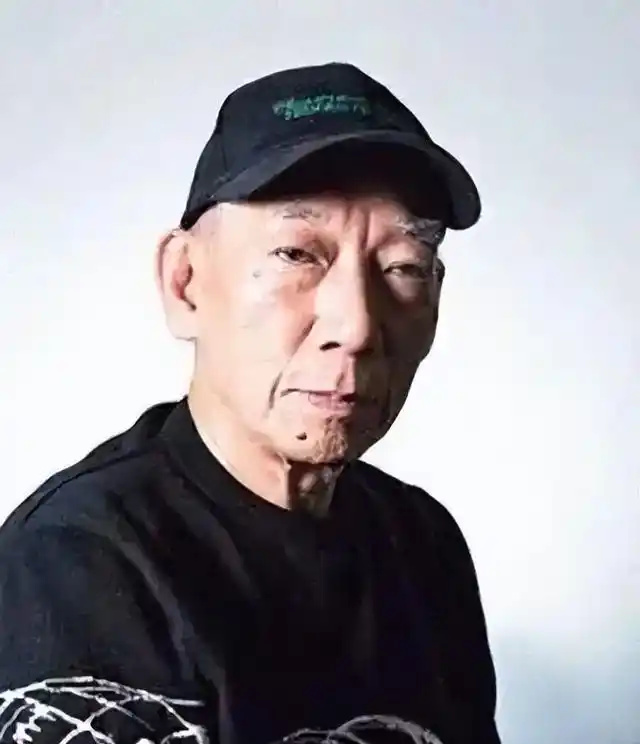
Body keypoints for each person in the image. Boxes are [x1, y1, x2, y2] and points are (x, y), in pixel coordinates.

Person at [0, 62, 500, 744]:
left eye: (403, 267)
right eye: (298, 254)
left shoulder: (423, 544)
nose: (357, 325)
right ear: (185, 283)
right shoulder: (80, 561)